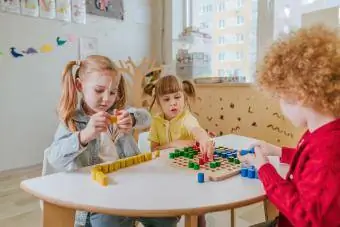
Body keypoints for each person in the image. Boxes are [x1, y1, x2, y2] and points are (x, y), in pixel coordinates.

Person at [44, 55, 178, 227]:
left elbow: (147, 117)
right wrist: (84, 135)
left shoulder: (118, 112)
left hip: (131, 186)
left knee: (169, 215)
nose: (107, 99)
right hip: (98, 198)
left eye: (113, 92)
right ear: (80, 86)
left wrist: (132, 119)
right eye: (99, 90)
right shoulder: (72, 121)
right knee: (111, 219)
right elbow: (55, 157)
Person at [239, 25, 340, 227]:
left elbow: (307, 219)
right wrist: (276, 150)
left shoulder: (327, 150)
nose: (281, 106)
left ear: (300, 95)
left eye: (281, 98)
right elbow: (310, 167)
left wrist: (265, 169)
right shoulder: (322, 134)